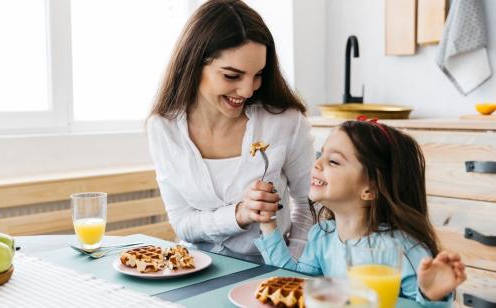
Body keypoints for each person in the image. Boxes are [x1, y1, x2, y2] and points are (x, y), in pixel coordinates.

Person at [147, 0, 314, 262]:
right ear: (194, 65)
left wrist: (289, 269)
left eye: (258, 74)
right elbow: (182, 222)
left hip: (268, 273)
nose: (248, 90)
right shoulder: (163, 127)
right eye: (232, 76)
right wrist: (238, 215)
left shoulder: (285, 122)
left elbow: (308, 207)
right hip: (193, 269)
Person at [254, 118, 466, 306]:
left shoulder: (400, 248)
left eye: (333, 161)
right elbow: (298, 284)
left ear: (370, 189)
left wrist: (431, 295)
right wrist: (268, 223)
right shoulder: (322, 235)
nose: (316, 164)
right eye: (320, 155)